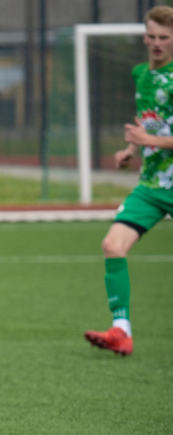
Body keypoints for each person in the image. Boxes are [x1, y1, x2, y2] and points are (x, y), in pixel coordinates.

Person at [84, 5, 173, 357]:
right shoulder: (141, 75)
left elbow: (156, 135)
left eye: (164, 38)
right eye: (151, 36)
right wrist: (130, 150)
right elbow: (149, 123)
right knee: (112, 245)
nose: (156, 43)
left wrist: (150, 141)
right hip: (152, 187)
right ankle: (121, 330)